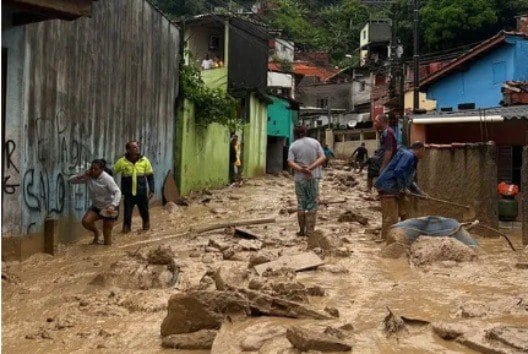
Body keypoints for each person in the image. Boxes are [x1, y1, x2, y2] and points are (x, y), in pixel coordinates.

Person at [374, 141, 427, 240]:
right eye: (424, 150)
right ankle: (386, 241)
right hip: (388, 187)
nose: (424, 153)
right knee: (390, 218)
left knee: (406, 213)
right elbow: (399, 171)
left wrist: (420, 193)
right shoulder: (408, 155)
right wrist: (403, 188)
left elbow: (409, 180)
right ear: (420, 149)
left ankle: (404, 237)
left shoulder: (412, 158)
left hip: (395, 188)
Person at [69, 159, 121, 245]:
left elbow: (118, 192)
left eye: (96, 169)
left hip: (109, 208)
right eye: (92, 168)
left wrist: (113, 205)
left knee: (107, 241)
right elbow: (71, 180)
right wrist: (82, 176)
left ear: (101, 170)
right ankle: (97, 233)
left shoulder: (107, 179)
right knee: (86, 222)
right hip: (96, 207)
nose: (93, 171)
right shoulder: (88, 177)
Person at [288, 126, 326, 236]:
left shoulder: (293, 145)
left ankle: (301, 231)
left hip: (299, 179)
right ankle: (310, 232)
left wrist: (302, 169)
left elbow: (290, 162)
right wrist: (311, 168)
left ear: (295, 134)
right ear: (305, 132)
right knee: (312, 203)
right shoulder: (315, 142)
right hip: (313, 177)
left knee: (301, 203)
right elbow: (322, 157)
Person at [113, 140, 155, 233]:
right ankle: (126, 229)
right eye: (134, 147)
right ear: (128, 150)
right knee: (127, 214)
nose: (137, 149)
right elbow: (113, 171)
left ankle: (146, 225)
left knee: (144, 211)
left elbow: (150, 176)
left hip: (141, 192)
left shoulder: (144, 160)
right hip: (128, 194)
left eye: (137, 147)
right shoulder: (122, 161)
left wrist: (152, 190)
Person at [369, 113, 397, 190]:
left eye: (376, 121)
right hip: (384, 158)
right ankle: (372, 189)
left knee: (372, 167)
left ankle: (371, 190)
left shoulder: (387, 132)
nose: (374, 124)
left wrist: (383, 166)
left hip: (389, 160)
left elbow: (389, 150)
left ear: (381, 122)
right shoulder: (385, 132)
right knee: (371, 162)